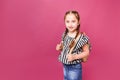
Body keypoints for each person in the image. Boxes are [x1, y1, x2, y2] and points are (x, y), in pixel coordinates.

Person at [56, 10, 91, 80]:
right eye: (67, 21)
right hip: (65, 65)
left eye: (73, 21)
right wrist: (60, 47)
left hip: (74, 67)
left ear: (78, 22)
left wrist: (74, 57)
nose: (70, 24)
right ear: (64, 23)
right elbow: (65, 47)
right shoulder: (65, 34)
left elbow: (87, 52)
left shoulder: (81, 38)